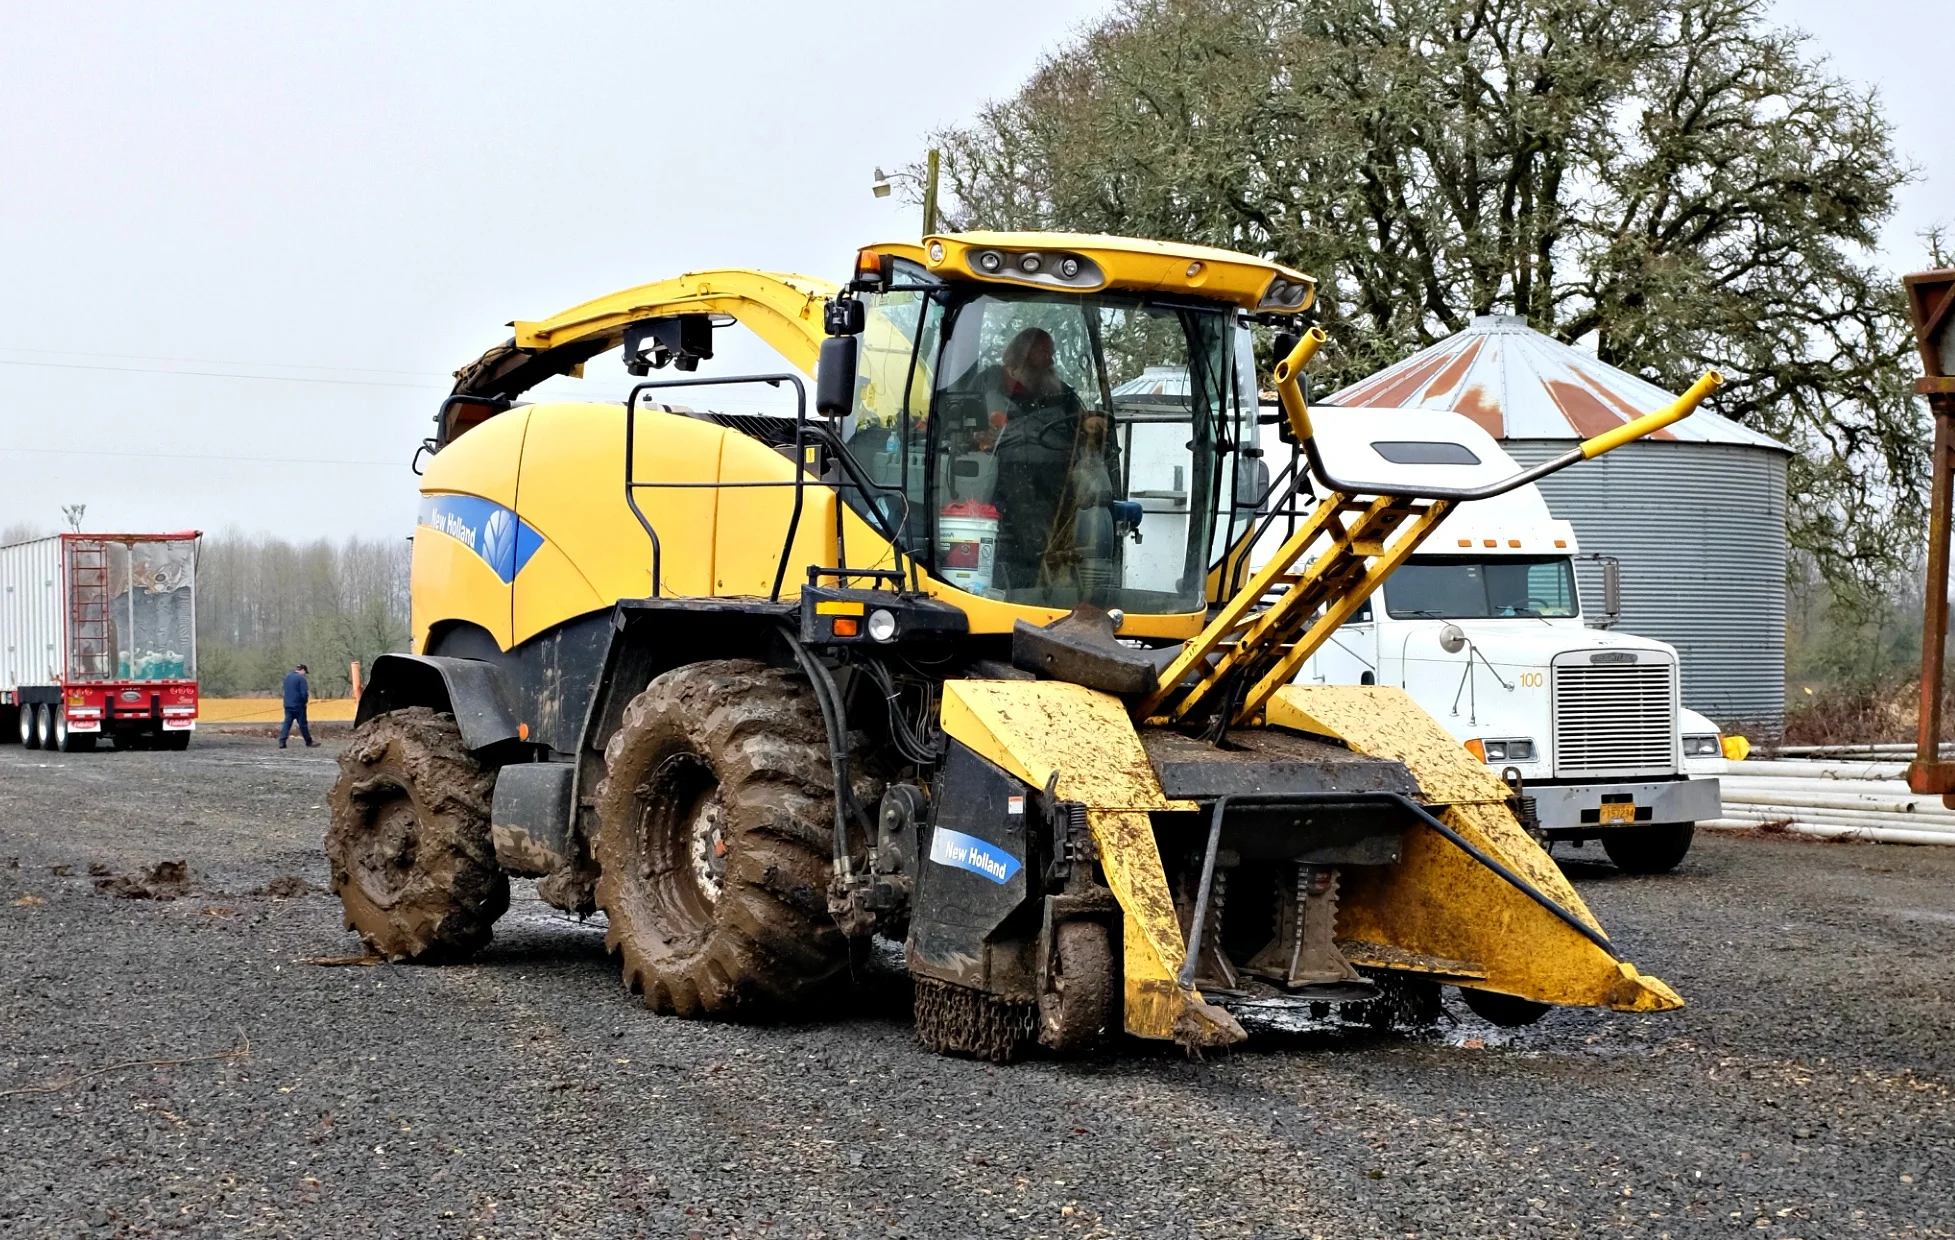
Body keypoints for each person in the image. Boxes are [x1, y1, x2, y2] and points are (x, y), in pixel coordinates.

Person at [280, 664, 318, 748]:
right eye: (305, 672)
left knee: (287, 723)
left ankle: (282, 742)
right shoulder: (301, 678)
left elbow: (285, 690)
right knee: (303, 724)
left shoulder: (287, 677)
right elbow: (304, 692)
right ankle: (309, 741)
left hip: (288, 705)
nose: (305, 674)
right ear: (303, 670)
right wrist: (305, 701)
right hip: (298, 705)